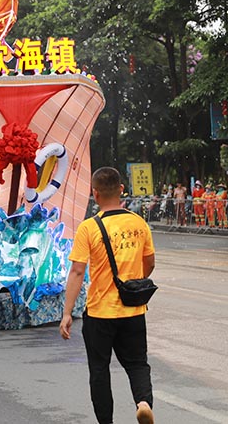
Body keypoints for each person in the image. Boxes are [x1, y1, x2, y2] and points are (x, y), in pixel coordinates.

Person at [59, 167, 155, 424]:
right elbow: (150, 263)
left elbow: (77, 272)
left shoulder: (89, 228)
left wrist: (67, 313)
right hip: (133, 310)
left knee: (100, 370)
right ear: (122, 190)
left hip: (100, 313)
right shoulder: (138, 223)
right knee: (137, 364)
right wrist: (133, 283)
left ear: (95, 193)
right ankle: (143, 403)